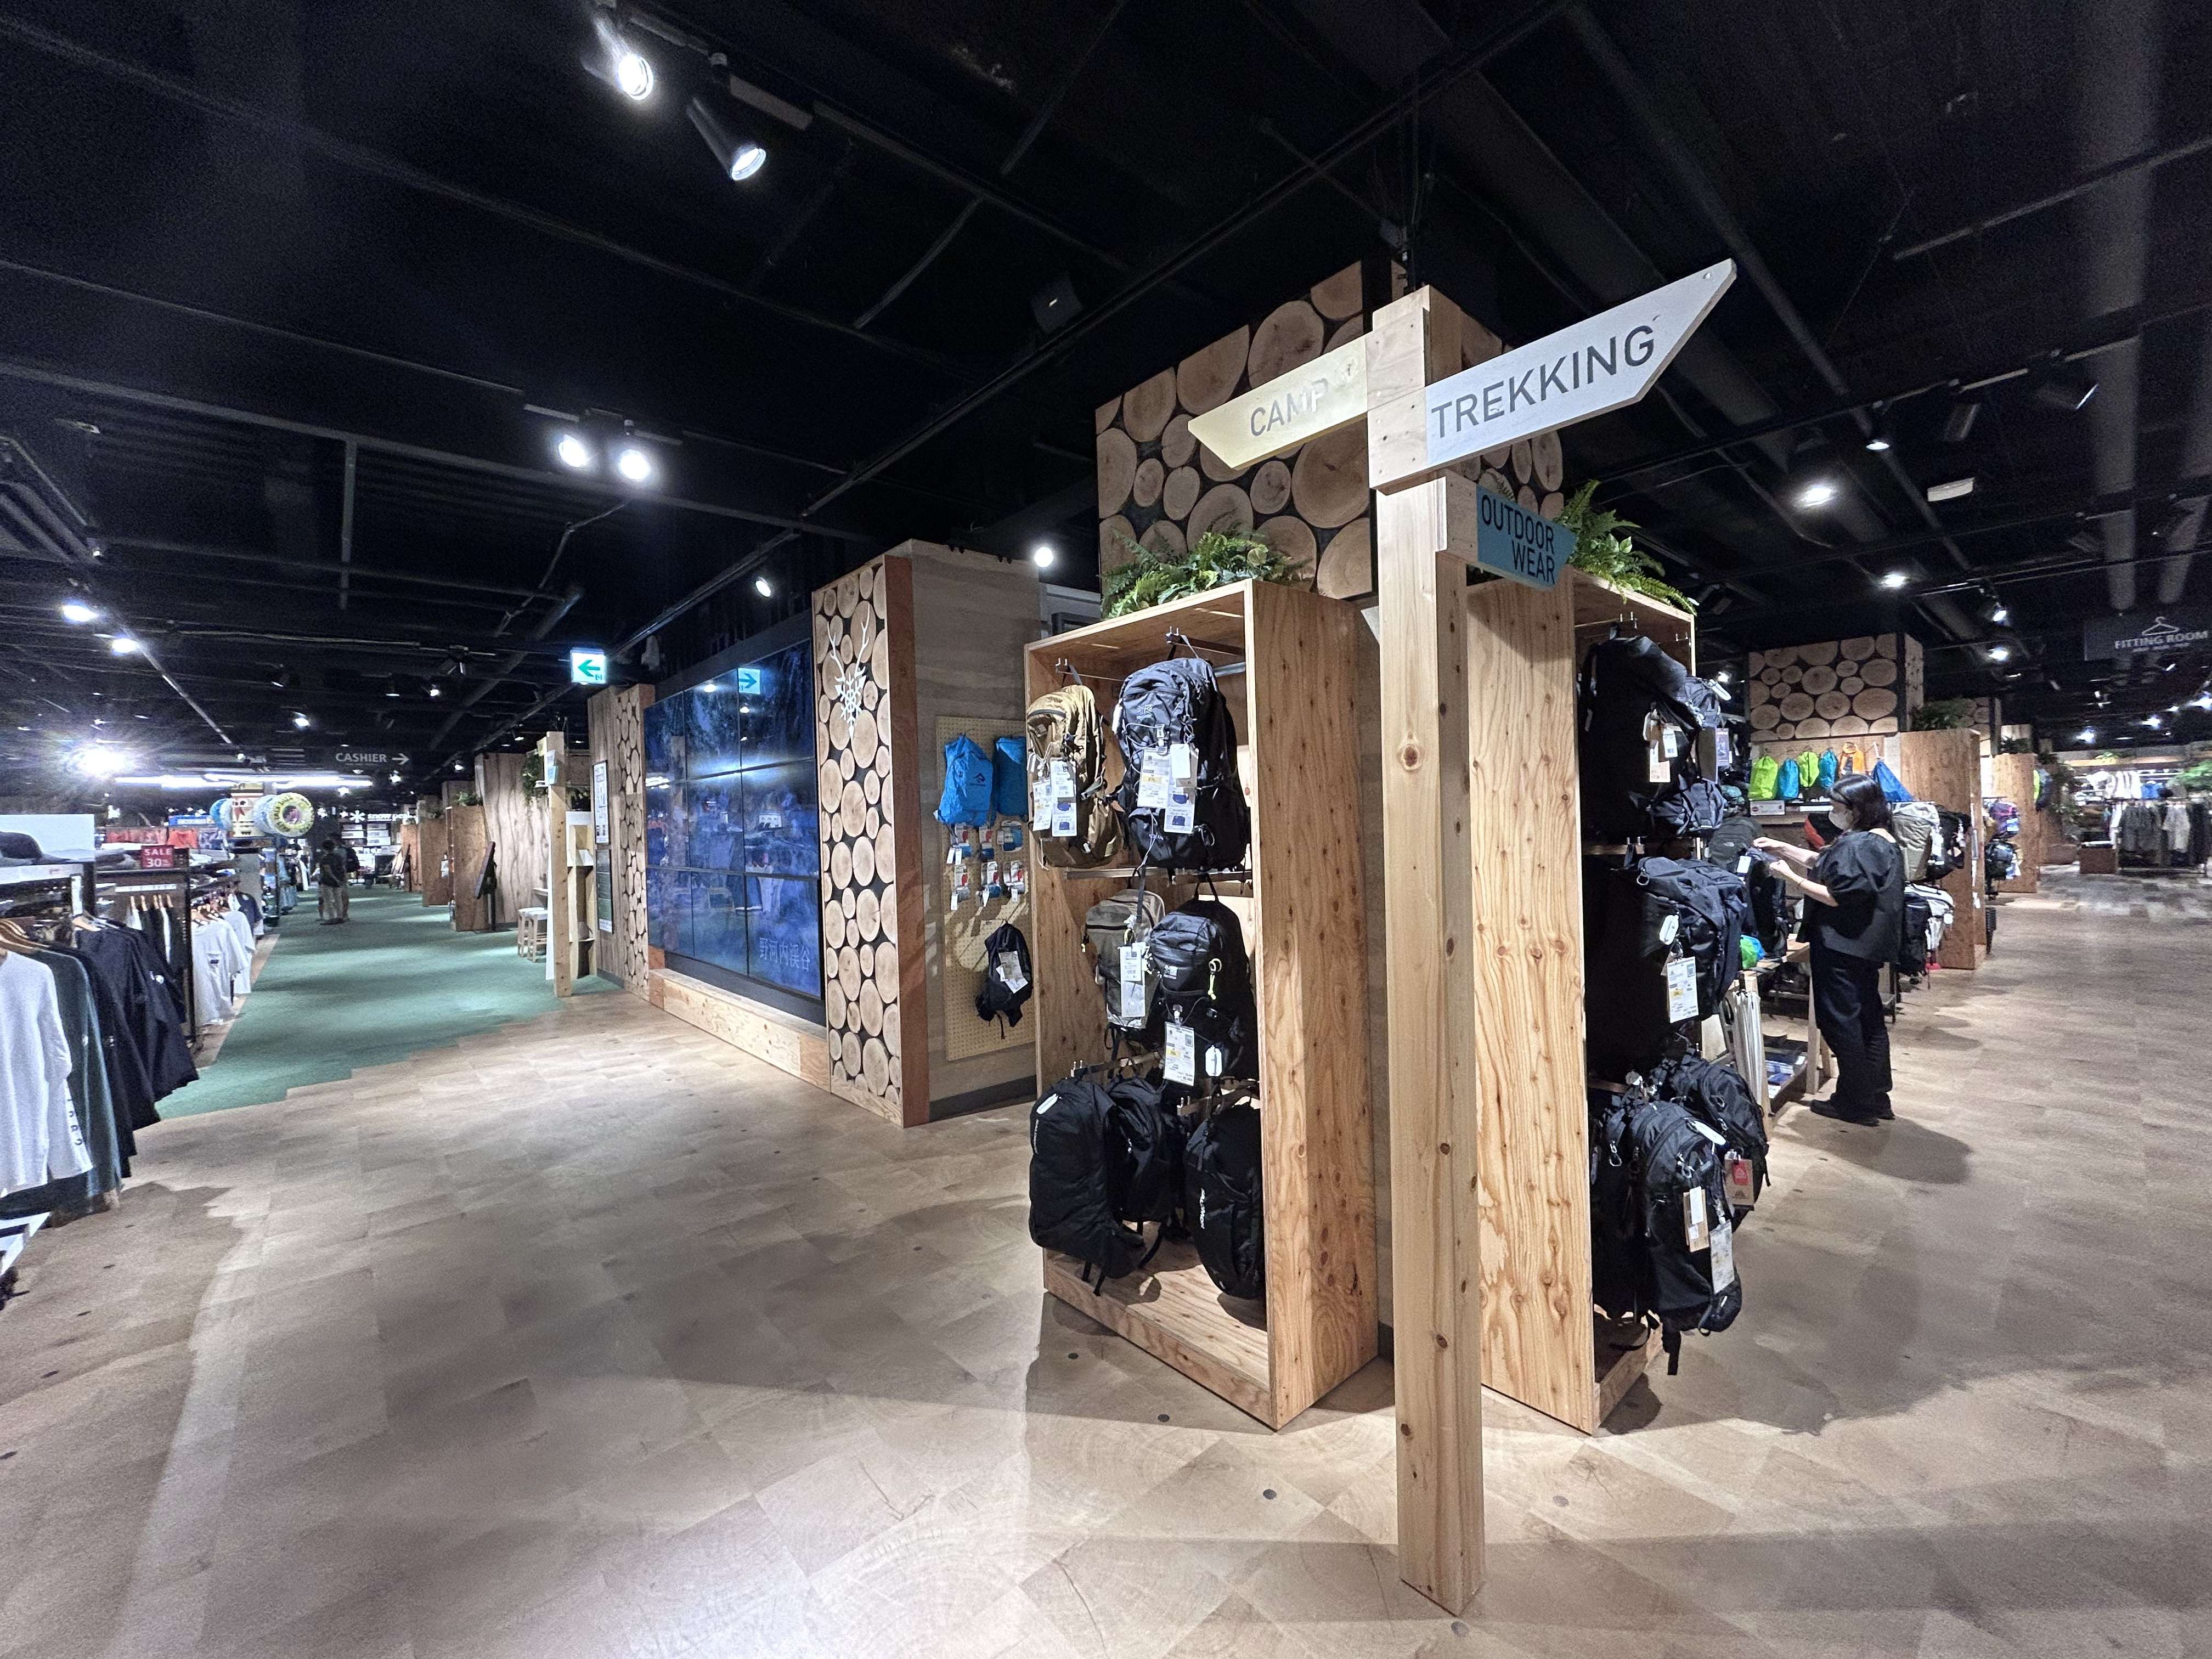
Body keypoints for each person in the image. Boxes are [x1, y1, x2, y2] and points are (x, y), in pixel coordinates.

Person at [1753, 772, 1906, 1125]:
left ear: (1856, 809)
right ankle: (1875, 1096)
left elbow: (1836, 895)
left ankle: (1855, 1103)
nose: (1832, 812)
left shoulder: (1860, 845)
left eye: (1837, 807)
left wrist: (1789, 877)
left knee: (1841, 1023)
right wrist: (1782, 848)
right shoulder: (1880, 840)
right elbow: (1827, 865)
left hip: (1842, 946)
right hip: (1863, 947)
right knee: (1867, 1019)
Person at [314, 836, 351, 924]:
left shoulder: (325, 859)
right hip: (339, 881)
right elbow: (343, 868)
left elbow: (328, 870)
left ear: (324, 848)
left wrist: (334, 879)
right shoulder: (338, 857)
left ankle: (331, 918)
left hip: (327, 881)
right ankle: (340, 916)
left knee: (328, 900)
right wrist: (342, 878)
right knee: (338, 899)